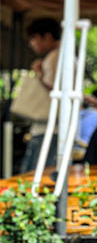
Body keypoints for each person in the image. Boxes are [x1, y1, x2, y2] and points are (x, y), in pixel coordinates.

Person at [19, 18, 61, 172]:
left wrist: (39, 74)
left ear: (47, 36)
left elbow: (55, 89)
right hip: (51, 128)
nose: (31, 44)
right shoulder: (63, 56)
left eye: (34, 38)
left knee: (36, 176)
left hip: (48, 129)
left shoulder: (55, 58)